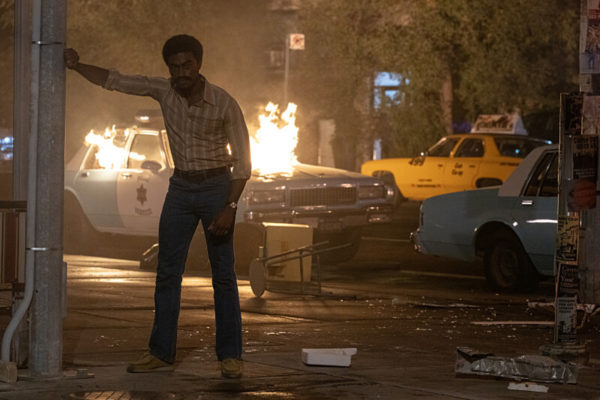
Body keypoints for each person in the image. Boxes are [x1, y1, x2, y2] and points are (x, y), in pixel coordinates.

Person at [64, 34, 251, 378]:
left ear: (199, 65)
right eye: (174, 67)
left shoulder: (224, 103)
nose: (181, 72)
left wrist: (230, 206)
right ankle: (161, 353)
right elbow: (117, 81)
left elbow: (242, 164)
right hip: (180, 188)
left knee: (223, 275)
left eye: (187, 65)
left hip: (216, 188)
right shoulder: (164, 91)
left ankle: (230, 356)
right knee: (167, 274)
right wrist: (77, 66)